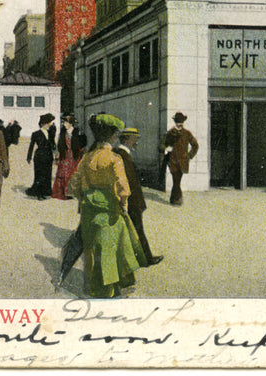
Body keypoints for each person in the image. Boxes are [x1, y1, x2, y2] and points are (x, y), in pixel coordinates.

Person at [66, 113, 144, 298]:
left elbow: (73, 186)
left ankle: (97, 287)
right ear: (113, 136)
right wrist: (122, 204)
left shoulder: (87, 157)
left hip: (89, 210)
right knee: (113, 247)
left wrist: (85, 198)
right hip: (109, 208)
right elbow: (124, 188)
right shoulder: (114, 158)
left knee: (93, 248)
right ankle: (113, 287)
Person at [114, 128, 162, 266]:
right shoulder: (123, 156)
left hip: (128, 201)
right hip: (131, 201)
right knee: (138, 230)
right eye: (135, 140)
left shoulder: (120, 154)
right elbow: (128, 182)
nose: (137, 143)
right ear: (127, 140)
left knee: (131, 230)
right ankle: (146, 259)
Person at [163, 111, 199, 206]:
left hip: (181, 161)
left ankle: (174, 199)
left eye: (181, 121)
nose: (180, 123)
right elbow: (162, 145)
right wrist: (166, 149)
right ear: (175, 122)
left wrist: (189, 156)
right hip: (173, 160)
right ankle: (177, 199)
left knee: (177, 180)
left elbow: (195, 145)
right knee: (176, 179)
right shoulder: (171, 133)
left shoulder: (186, 133)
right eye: (178, 121)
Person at [52, 114, 86, 200]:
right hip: (65, 155)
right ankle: (63, 192)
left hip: (74, 155)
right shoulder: (63, 132)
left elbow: (83, 143)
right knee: (63, 173)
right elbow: (59, 145)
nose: (64, 124)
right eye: (63, 122)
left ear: (71, 123)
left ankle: (72, 192)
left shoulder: (77, 132)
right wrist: (58, 154)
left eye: (66, 122)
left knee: (73, 173)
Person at [25, 113, 56, 199]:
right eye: (48, 123)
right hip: (40, 156)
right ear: (43, 124)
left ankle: (46, 191)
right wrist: (29, 157)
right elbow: (31, 146)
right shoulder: (36, 133)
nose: (49, 125)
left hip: (48, 156)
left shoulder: (50, 133)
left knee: (47, 174)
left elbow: (53, 144)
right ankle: (39, 194)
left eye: (49, 123)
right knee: (39, 175)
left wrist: (55, 150)